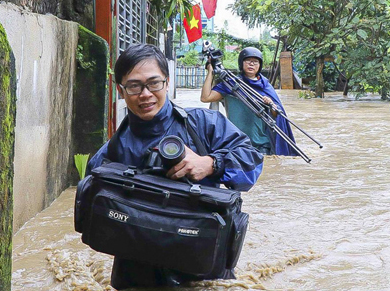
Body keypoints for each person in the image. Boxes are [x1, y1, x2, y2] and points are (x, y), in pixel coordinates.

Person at [86, 43, 264, 289]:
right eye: (134, 86)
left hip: (202, 271)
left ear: (167, 83)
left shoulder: (204, 124)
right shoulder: (111, 152)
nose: (145, 94)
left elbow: (252, 162)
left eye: (154, 83)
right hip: (136, 276)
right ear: (121, 90)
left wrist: (211, 163)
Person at [201, 46, 298, 156]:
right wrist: (210, 72)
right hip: (236, 143)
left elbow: (276, 115)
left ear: (260, 65)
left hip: (261, 145)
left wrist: (271, 104)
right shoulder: (231, 84)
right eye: (248, 61)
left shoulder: (266, 87)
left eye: (255, 62)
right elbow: (205, 97)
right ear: (241, 63)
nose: (251, 64)